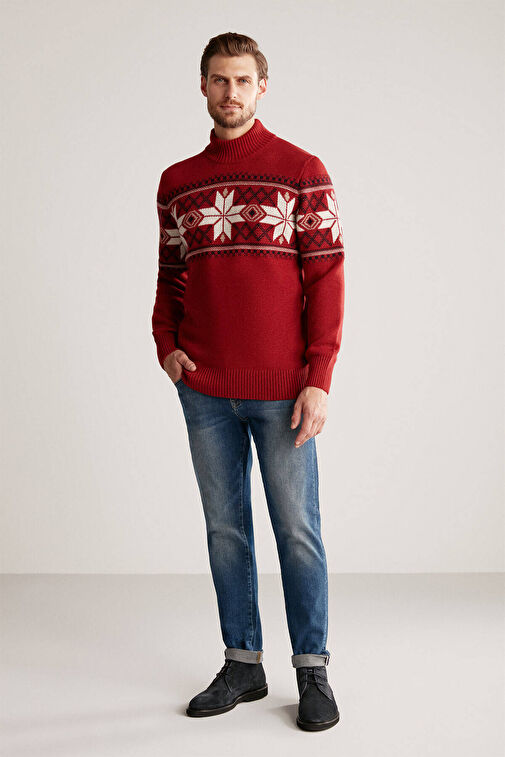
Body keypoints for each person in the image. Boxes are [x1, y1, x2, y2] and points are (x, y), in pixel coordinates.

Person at [151, 31, 345, 732]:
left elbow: (326, 277)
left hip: (284, 390)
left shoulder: (301, 170)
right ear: (202, 86)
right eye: (218, 79)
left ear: (262, 86)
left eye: (241, 80)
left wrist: (318, 376)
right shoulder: (177, 182)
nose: (229, 92)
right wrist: (166, 346)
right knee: (225, 530)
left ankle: (312, 670)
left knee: (297, 531)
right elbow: (171, 275)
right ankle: (243, 664)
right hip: (205, 390)